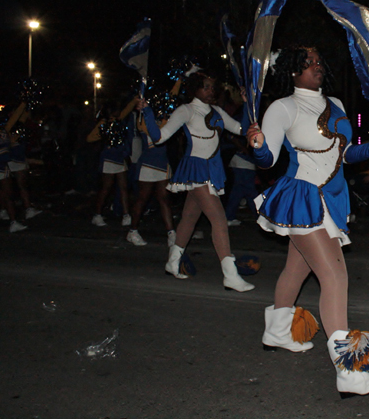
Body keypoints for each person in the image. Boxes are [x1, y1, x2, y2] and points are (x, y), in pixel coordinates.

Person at [247, 46, 369, 397]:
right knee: (335, 276)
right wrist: (257, 145)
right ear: (292, 71)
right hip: (302, 198)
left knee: (297, 270)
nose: (316, 67)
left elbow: (345, 155)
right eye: (307, 63)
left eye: (318, 62)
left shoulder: (338, 105)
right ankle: (349, 372)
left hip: (330, 200)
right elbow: (268, 161)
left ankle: (278, 332)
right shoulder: (283, 107)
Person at [139, 70, 254, 292]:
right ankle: (230, 275)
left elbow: (241, 129)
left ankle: (172, 262)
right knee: (219, 219)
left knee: (189, 218)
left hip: (212, 168)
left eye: (213, 87)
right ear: (195, 89)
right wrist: (147, 113)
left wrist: (248, 106)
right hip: (197, 169)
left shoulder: (218, 111)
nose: (211, 91)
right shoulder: (186, 110)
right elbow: (159, 137)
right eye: (206, 86)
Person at [125, 96, 177, 248]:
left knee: (164, 199)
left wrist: (182, 78)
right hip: (148, 164)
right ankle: (132, 231)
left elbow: (171, 97)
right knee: (142, 199)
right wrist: (140, 106)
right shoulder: (142, 119)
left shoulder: (164, 120)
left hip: (163, 164)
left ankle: (171, 234)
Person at [87, 99, 137, 227]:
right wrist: (104, 136)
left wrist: (135, 100)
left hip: (119, 157)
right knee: (106, 187)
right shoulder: (104, 123)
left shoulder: (119, 120)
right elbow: (90, 138)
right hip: (109, 158)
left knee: (123, 187)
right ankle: (97, 214)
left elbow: (127, 110)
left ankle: (126, 215)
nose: (118, 112)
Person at [4, 101, 42, 221]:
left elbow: (26, 116)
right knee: (6, 188)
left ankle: (27, 209)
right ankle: (4, 210)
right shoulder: (7, 126)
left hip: (19, 159)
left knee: (22, 185)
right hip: (9, 159)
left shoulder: (19, 125)